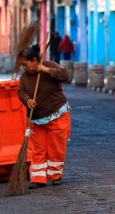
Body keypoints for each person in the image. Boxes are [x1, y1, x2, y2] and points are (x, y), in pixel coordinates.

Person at [17, 44, 71, 189]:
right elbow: (20, 91)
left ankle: (55, 175)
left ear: (34, 61)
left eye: (25, 64)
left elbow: (65, 75)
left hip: (56, 115)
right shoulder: (24, 77)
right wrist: (27, 100)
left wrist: (46, 70)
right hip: (36, 119)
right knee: (38, 149)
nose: (24, 68)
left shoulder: (48, 65)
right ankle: (38, 178)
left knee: (56, 147)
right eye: (22, 65)